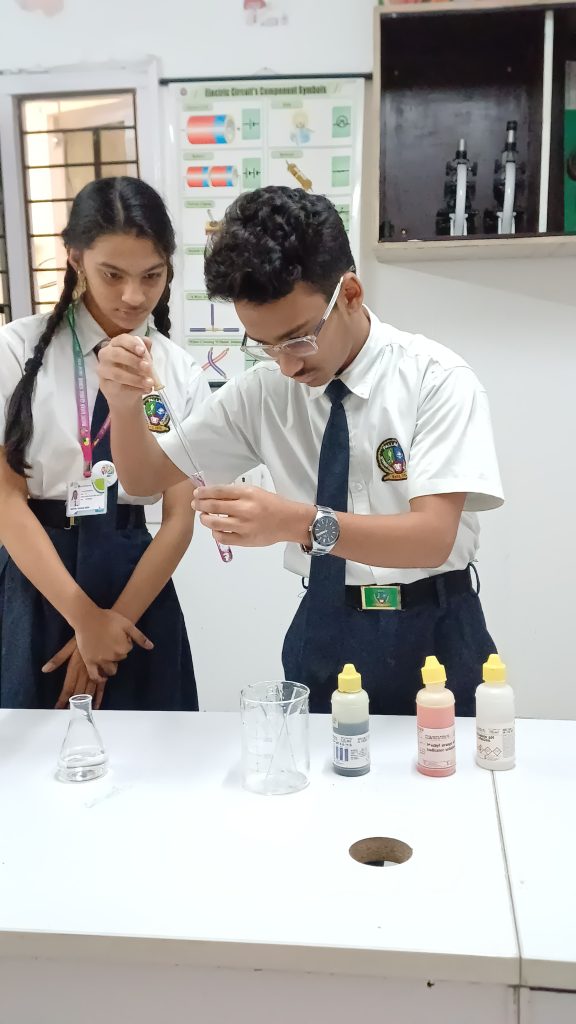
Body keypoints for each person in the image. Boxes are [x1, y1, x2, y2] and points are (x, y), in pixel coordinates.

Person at [97, 185, 504, 715]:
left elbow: (431, 538)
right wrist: (124, 403)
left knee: (449, 767)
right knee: (316, 768)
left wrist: (296, 523)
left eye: (298, 338)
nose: (287, 365)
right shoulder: (262, 393)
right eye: (265, 345)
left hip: (439, 627)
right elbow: (143, 479)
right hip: (324, 625)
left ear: (350, 294)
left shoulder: (435, 379)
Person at [0, 176, 210, 710]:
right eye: (112, 275)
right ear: (75, 259)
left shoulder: (179, 372)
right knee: (33, 744)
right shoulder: (15, 351)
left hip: (137, 588)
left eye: (152, 276)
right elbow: (6, 500)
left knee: (154, 747)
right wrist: (84, 619)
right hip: (39, 581)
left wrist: (114, 622)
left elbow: (179, 518)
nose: (133, 296)